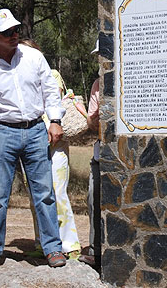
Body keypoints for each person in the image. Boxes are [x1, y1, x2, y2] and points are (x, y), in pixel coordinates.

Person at [0, 9, 66, 268]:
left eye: (16, 30)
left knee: (44, 193)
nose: (14, 35)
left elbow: (50, 92)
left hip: (35, 131)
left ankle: (53, 248)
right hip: (1, 132)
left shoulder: (34, 57)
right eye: (7, 32)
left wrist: (54, 120)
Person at [18, 38, 81, 258]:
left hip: (54, 145)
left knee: (57, 193)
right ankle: (42, 242)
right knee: (36, 195)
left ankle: (69, 245)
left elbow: (52, 105)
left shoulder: (51, 74)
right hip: (30, 145)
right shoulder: (15, 78)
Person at [78, 39, 101, 268]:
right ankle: (96, 251)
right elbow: (92, 123)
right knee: (94, 201)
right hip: (101, 152)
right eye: (98, 55)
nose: (99, 60)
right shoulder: (97, 84)